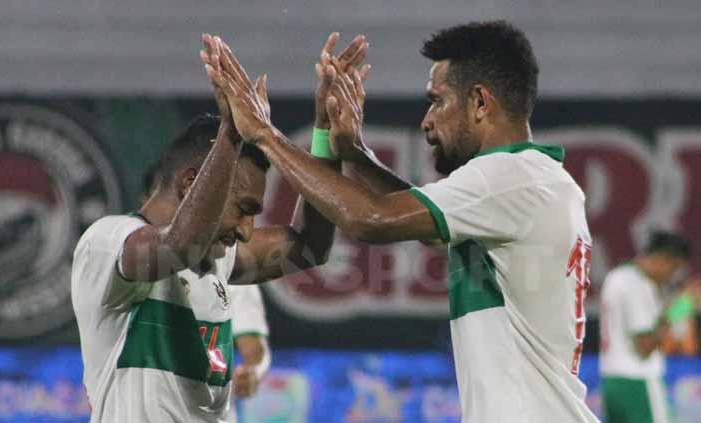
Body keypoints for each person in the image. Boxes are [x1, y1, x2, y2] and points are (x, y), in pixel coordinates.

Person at [202, 20, 599, 422]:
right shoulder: (533, 181)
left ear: (480, 102)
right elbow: (417, 227)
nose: (427, 120)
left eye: (437, 100)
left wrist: (264, 134)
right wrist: (349, 150)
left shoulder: (508, 179)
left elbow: (369, 218)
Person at [71, 32, 369, 422]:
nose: (246, 231)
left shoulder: (219, 260)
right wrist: (233, 130)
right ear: (191, 183)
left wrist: (324, 133)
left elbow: (311, 246)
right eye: (243, 209)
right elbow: (180, 246)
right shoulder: (106, 245)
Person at [140, 162, 273, 403]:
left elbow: (254, 349)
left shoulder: (229, 268)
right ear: (145, 202)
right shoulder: (126, 265)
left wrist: (254, 370)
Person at [600, 231, 695, 423]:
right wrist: (679, 310)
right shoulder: (637, 285)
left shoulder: (616, 276)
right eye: (674, 269)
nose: (671, 276)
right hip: (638, 384)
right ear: (664, 259)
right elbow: (644, 346)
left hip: (612, 382)